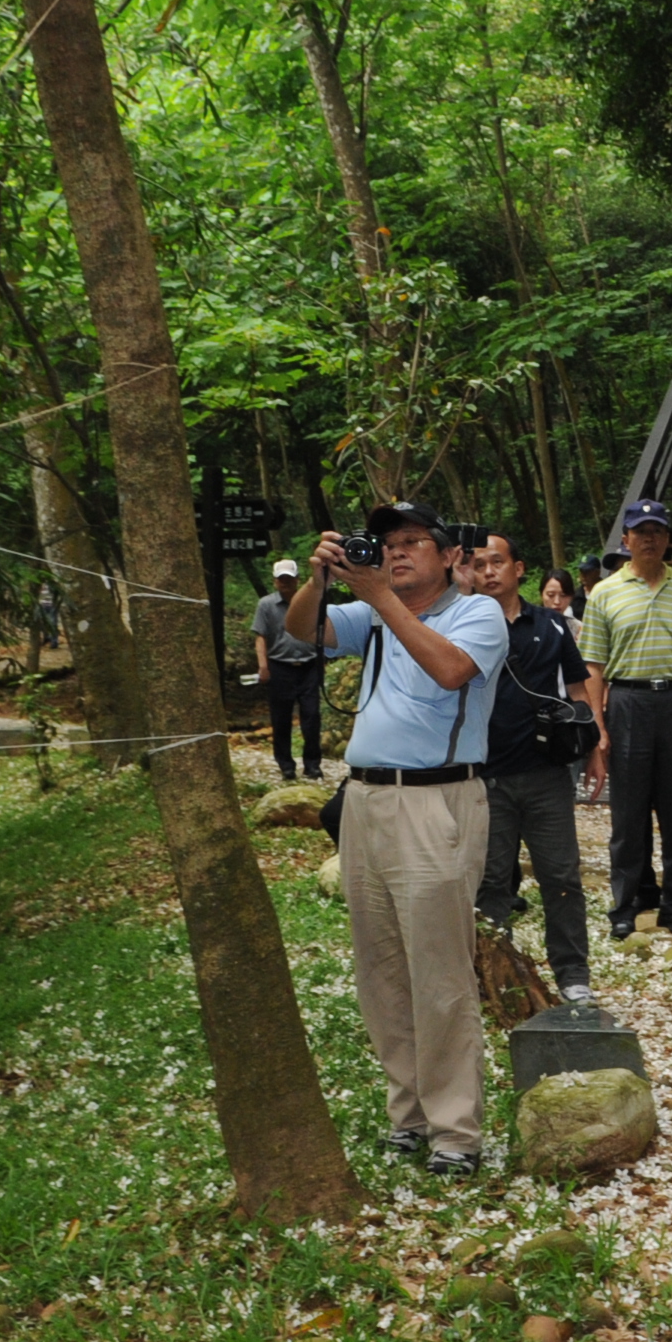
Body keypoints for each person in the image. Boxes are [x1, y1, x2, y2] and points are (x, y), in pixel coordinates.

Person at [286, 503, 511, 1176]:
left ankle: (455, 1134)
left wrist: (378, 594)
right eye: (386, 544)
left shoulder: (478, 612)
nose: (397, 553)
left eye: (414, 542)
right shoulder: (373, 612)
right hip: (365, 801)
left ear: (448, 557)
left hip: (436, 800)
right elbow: (304, 630)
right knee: (381, 968)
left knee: (438, 970)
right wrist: (322, 578)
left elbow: (450, 670)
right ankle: (407, 1116)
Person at [470, 529, 598, 1000]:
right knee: (489, 880)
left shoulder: (551, 625)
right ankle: (490, 974)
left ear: (518, 569)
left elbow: (579, 692)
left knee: (561, 876)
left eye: (497, 562)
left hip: (547, 772)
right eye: (479, 563)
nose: (488, 571)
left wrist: (594, 749)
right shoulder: (458, 625)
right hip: (484, 775)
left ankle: (573, 975)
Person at [579, 500, 672, 939]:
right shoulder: (604, 593)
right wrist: (598, 725)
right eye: (641, 531)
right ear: (626, 539)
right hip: (628, 702)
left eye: (658, 531)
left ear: (668, 538)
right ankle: (626, 903)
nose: (649, 538)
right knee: (628, 813)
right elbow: (593, 665)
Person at [255, 557, 323, 782]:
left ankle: (312, 765)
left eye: (289, 579)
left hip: (309, 665)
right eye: (281, 579)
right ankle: (286, 766)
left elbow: (323, 631)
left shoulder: (311, 601)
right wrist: (263, 666)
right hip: (280, 666)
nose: (285, 583)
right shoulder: (266, 605)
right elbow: (260, 636)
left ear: (297, 579)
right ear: (275, 581)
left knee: (312, 717)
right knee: (281, 719)